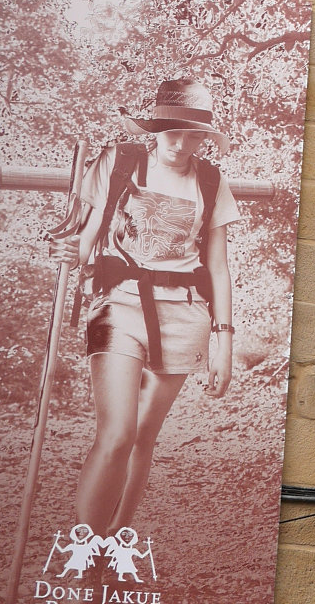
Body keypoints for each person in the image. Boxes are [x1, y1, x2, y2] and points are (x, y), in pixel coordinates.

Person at [49, 76, 238, 534]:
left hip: (185, 315)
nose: (180, 143)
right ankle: (85, 545)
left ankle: (115, 541)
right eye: (171, 131)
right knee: (117, 434)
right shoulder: (120, 162)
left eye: (192, 134)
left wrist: (225, 345)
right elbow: (86, 238)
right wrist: (71, 251)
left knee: (142, 439)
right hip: (118, 305)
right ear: (155, 129)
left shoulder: (211, 181)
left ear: (204, 137)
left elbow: (218, 268)